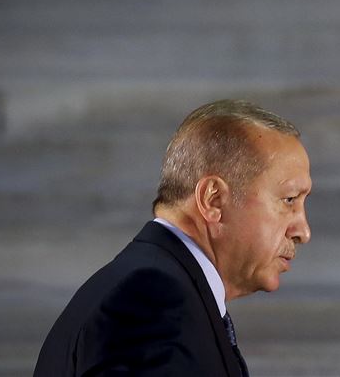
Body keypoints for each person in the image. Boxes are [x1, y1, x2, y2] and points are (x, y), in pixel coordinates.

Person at [34, 99, 312, 376]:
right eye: (289, 199)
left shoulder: (157, 292)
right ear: (213, 200)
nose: (303, 232)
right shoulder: (151, 304)